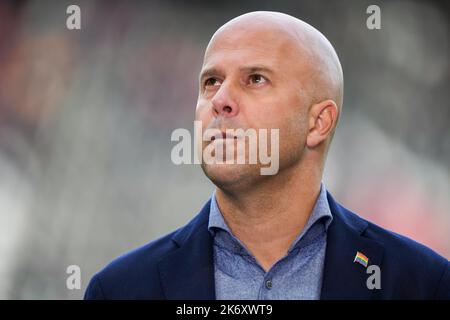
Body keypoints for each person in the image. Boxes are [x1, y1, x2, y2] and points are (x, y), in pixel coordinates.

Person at [84, 11, 450, 299]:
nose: (220, 100)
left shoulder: (423, 284)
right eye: (211, 81)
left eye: (255, 79)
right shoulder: (120, 289)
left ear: (318, 122)